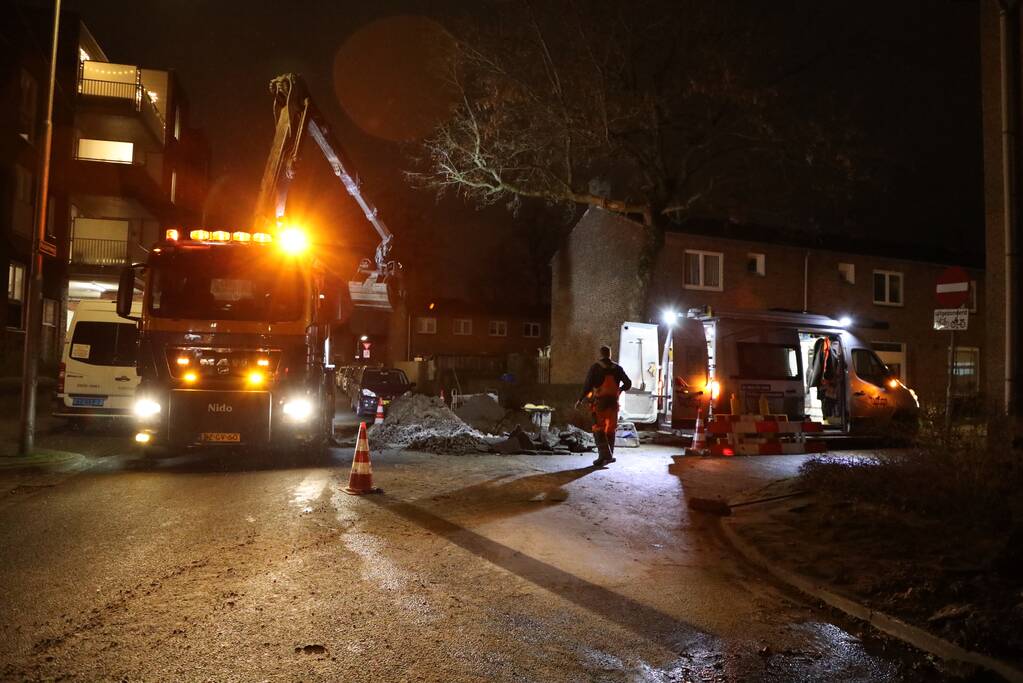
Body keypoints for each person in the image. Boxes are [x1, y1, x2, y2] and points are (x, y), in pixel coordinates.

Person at [575, 346, 632, 467]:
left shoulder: (595, 367)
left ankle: (604, 456)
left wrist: (580, 400)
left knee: (598, 428)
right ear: (610, 354)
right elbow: (628, 383)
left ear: (601, 354)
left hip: (600, 403)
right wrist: (620, 389)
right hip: (613, 403)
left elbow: (588, 385)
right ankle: (608, 455)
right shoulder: (618, 368)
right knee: (610, 429)